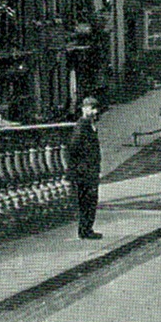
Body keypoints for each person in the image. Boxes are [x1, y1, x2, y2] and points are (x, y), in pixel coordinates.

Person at [69, 96, 103, 240]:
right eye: (91, 108)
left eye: (95, 108)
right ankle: (85, 230)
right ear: (84, 109)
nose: (95, 111)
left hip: (90, 171)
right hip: (85, 172)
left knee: (90, 201)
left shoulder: (89, 125)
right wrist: (83, 168)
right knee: (87, 201)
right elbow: (74, 148)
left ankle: (87, 229)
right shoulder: (82, 125)